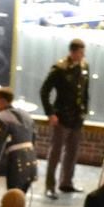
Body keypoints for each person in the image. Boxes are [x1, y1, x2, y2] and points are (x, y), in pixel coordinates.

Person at [38, 39, 90, 197]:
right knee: (55, 153)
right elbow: (44, 91)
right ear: (73, 52)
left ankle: (66, 182)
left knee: (72, 152)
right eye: (81, 52)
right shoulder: (59, 68)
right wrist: (50, 113)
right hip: (61, 116)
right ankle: (49, 186)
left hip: (77, 117)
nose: (83, 55)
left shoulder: (84, 66)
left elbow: (85, 91)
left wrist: (85, 110)